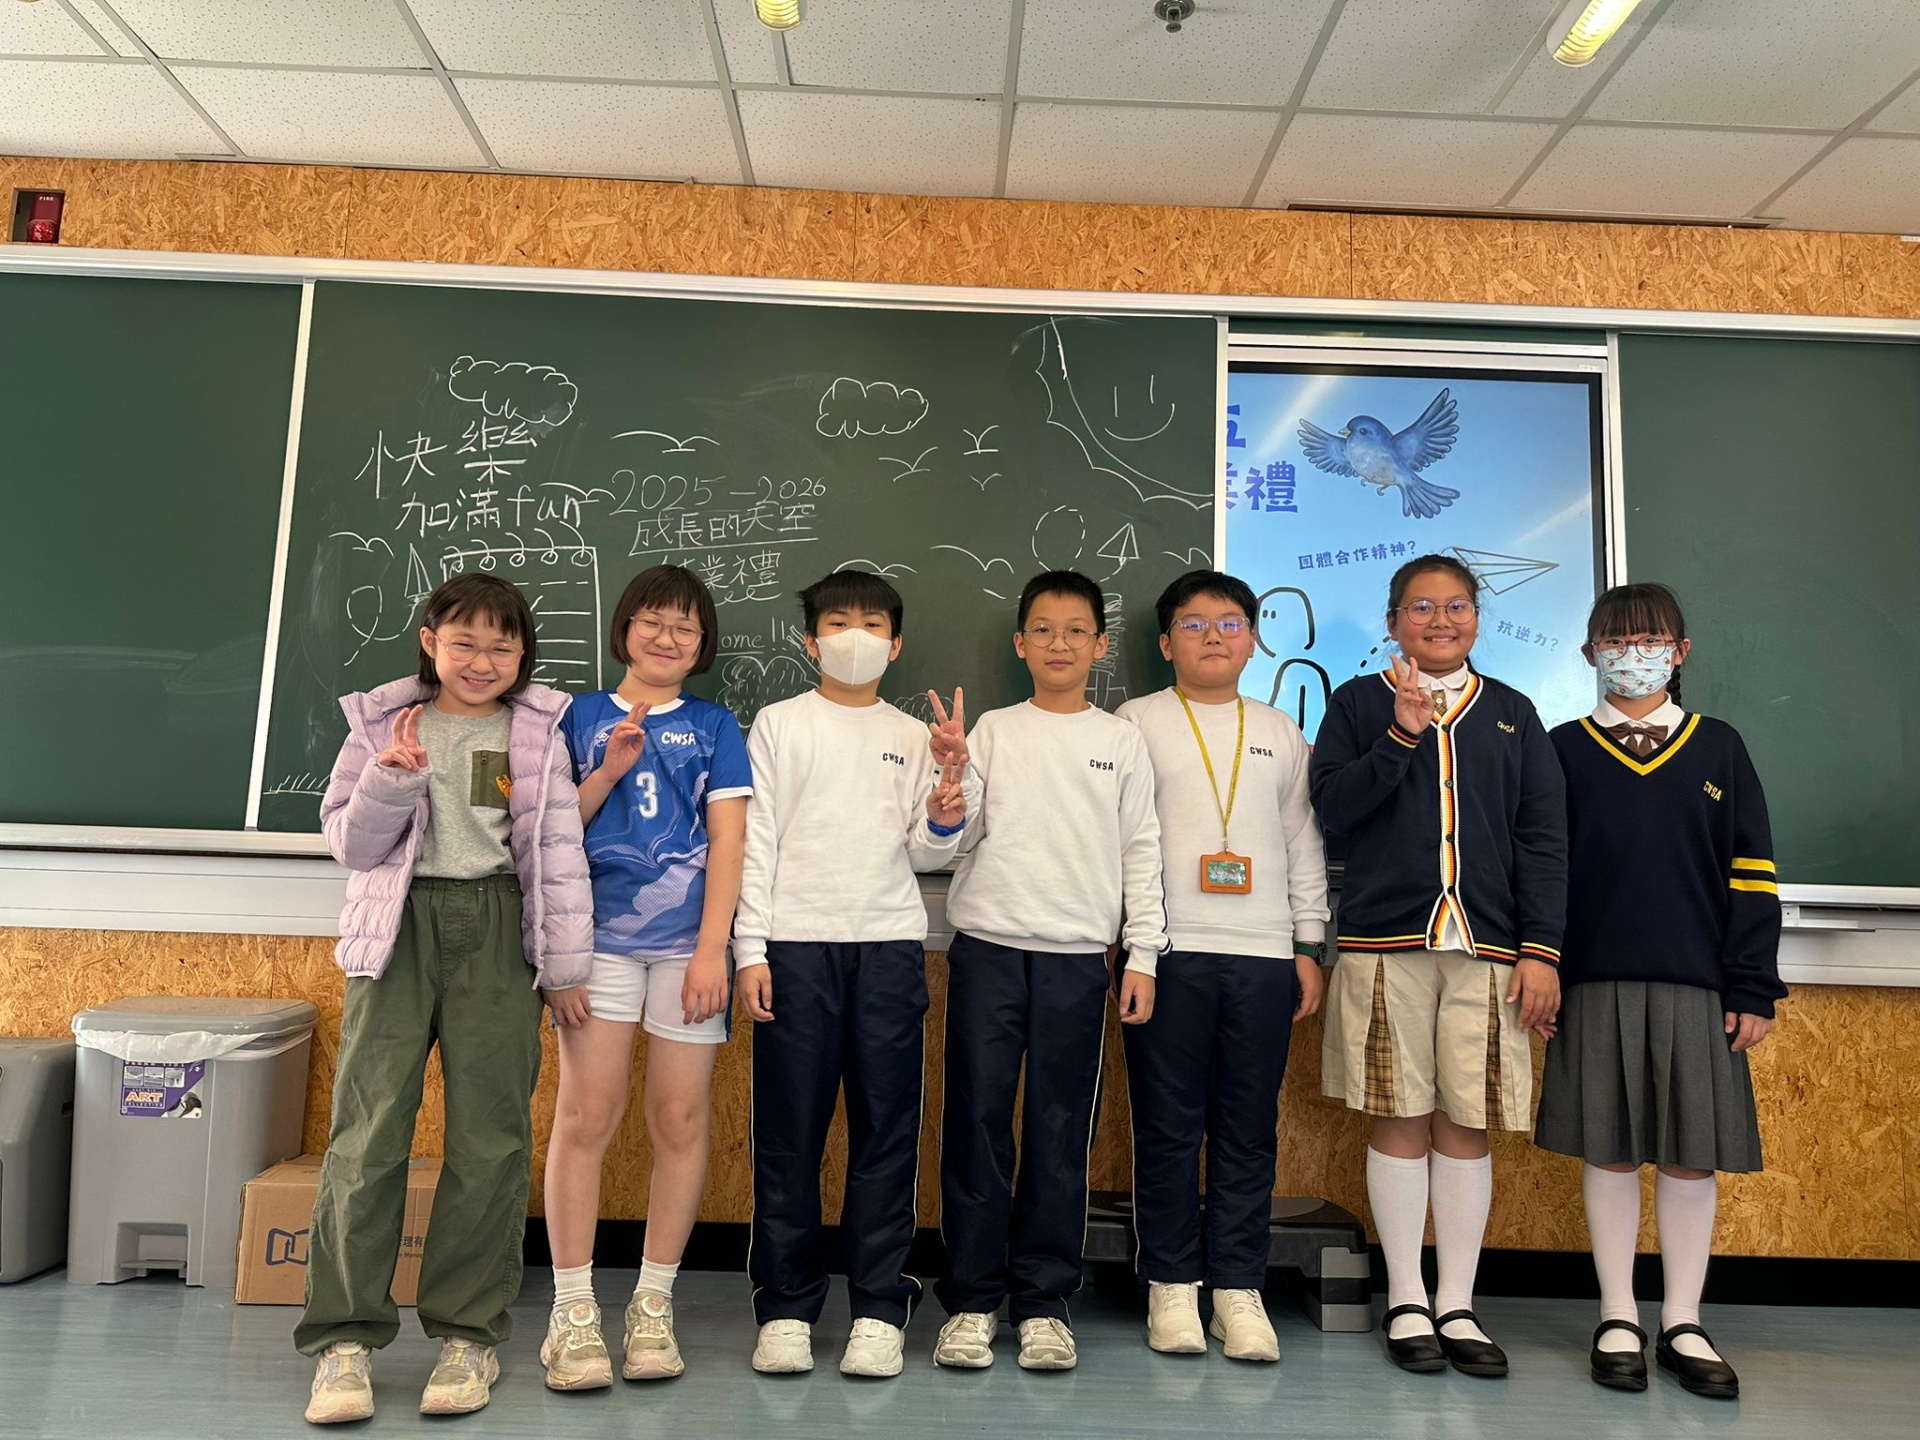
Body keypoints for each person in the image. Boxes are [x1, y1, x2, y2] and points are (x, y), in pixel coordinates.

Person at [297, 573, 593, 1424]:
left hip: (497, 928)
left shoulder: (537, 733)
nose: (483, 660)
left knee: (489, 1140)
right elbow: (350, 844)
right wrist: (390, 780)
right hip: (396, 931)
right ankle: (344, 1340)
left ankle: (468, 1336)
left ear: (524, 655)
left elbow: (559, 853)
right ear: (431, 641)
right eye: (465, 642)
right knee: (368, 1134)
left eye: (503, 646)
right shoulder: (382, 724)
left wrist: (566, 968)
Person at [1309, 554, 1566, 1379]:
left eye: (1457, 606)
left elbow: (1543, 839)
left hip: (1488, 950)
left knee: (1466, 1121)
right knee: (1399, 1115)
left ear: (1477, 620)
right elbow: (1334, 810)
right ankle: (1408, 1297)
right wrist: (1402, 734)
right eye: (1421, 608)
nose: (1441, 620)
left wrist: (1542, 949)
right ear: (1393, 623)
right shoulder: (1358, 704)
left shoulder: (1515, 714)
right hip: (1387, 944)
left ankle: (1457, 1301)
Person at [1535, 582, 1785, 1400]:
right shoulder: (1562, 750)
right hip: (1592, 981)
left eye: (1650, 640)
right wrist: (1545, 967)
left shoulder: (1719, 748)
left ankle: (1683, 1319)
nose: (1632, 653)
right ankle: (1616, 1314)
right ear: (1590, 654)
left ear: (1680, 653)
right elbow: (1543, 872)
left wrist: (1751, 984)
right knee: (1607, 1146)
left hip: (1699, 985)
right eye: (1615, 640)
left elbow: (1752, 873)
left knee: (1689, 1154)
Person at [734, 569, 969, 1379]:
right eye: (839, 623)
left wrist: (945, 807)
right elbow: (756, 842)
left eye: (873, 624)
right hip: (794, 949)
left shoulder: (912, 735)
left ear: (896, 646)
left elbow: (925, 852)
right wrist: (751, 950)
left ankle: (877, 1309)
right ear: (811, 641)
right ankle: (785, 1309)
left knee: (886, 1134)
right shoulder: (779, 724)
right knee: (788, 1137)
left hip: (888, 949)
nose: (856, 636)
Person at [934, 569, 1166, 1374]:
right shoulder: (993, 731)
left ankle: (1042, 1304)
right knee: (977, 1124)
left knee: (1060, 1134)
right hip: (989, 950)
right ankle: (971, 1302)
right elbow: (956, 838)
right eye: (1042, 629)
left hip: (1077, 960)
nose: (1058, 643)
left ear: (1100, 646)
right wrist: (950, 785)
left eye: (1075, 631)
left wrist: (1143, 953)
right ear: (1019, 643)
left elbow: (1142, 849)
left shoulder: (1120, 740)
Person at [541, 565, 752, 1390]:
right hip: (595, 946)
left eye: (685, 628)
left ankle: (653, 1304)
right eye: (653, 621)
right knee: (586, 1114)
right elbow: (553, 831)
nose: (667, 638)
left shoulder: (715, 724)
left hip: (687, 950)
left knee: (679, 1117)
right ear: (624, 626)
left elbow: (728, 842)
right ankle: (572, 1312)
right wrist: (607, 769)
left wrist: (711, 949)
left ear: (703, 646)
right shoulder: (576, 716)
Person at [1116, 569, 1329, 1362]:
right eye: (1195, 624)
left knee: (1247, 1127)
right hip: (1167, 953)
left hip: (1264, 954)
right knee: (1167, 1126)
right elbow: (1122, 841)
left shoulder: (1278, 730)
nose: (1213, 636)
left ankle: (1238, 1288)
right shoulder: (1135, 723)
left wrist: (1308, 943)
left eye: (1230, 623)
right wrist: (1135, 944)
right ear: (1165, 642)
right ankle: (1172, 1285)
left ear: (1252, 640)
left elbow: (1302, 842)